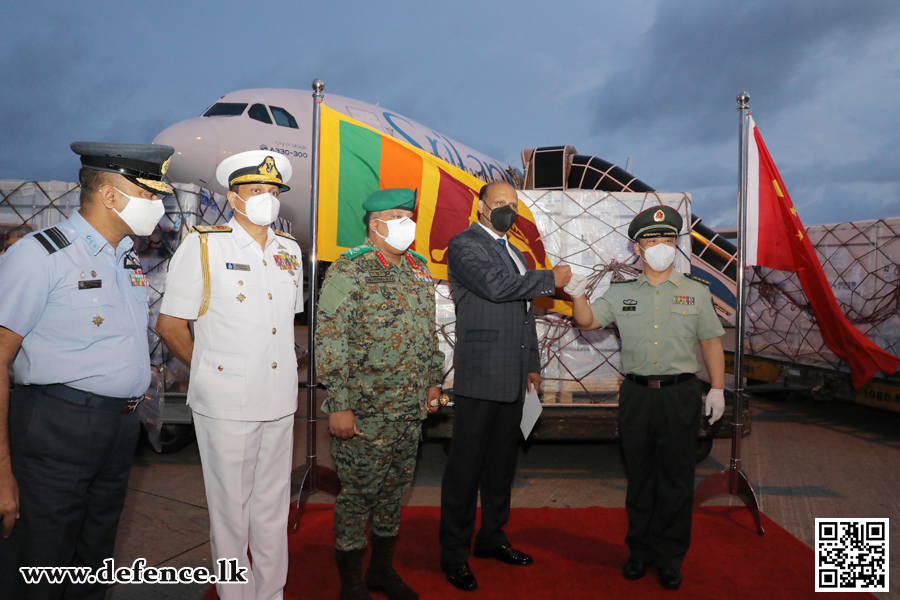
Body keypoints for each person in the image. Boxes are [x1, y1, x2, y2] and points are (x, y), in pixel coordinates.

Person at [0, 141, 174, 599]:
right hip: (57, 426)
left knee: (94, 557)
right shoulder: (41, 255)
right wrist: (1, 470)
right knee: (41, 558)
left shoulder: (126, 259)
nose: (159, 206)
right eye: (150, 194)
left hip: (119, 428)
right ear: (112, 196)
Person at [155, 150, 303, 600]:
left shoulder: (289, 251)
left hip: (279, 399)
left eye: (273, 192)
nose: (267, 200)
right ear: (233, 197)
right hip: (226, 404)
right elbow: (171, 326)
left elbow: (282, 325)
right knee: (231, 513)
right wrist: (210, 372)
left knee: (272, 509)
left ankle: (271, 593)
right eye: (257, 191)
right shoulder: (205, 245)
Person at [569, 205, 726, 590]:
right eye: (652, 240)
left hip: (680, 395)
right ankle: (639, 552)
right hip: (638, 394)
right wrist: (576, 295)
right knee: (640, 478)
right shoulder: (621, 292)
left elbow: (711, 342)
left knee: (675, 479)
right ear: (637, 249)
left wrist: (719, 388)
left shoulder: (695, 291)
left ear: (677, 245)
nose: (661, 246)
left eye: (668, 239)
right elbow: (588, 322)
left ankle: (670, 558)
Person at [438, 181, 572, 591]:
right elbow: (498, 288)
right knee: (465, 470)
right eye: (499, 204)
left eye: (513, 206)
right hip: (480, 374)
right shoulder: (464, 245)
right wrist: (550, 278)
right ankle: (454, 555)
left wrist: (532, 363)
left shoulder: (514, 251)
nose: (506, 211)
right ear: (480, 207)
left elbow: (525, 314)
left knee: (501, 467)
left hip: (514, 375)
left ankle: (492, 537)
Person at [316, 188, 445, 600]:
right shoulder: (348, 270)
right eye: (397, 216)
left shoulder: (418, 270)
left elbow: (428, 334)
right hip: (365, 411)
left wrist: (433, 379)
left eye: (409, 215)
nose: (406, 223)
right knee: (358, 495)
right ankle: (351, 584)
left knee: (393, 493)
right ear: (375, 225)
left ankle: (381, 571)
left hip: (408, 409)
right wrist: (339, 404)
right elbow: (330, 340)